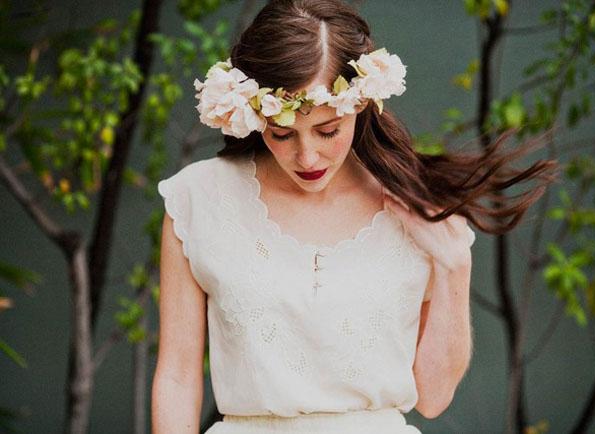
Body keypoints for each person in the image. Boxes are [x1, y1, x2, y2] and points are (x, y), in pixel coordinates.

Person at [151, 1, 560, 433]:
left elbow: (434, 397)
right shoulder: (198, 198)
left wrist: (454, 264)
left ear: (361, 104)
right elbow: (177, 377)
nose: (307, 155)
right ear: (254, 117)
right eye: (282, 133)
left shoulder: (418, 204)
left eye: (328, 130)